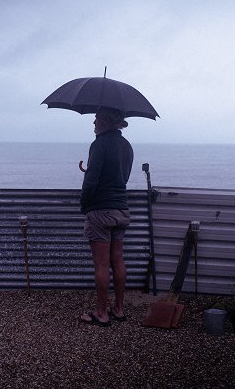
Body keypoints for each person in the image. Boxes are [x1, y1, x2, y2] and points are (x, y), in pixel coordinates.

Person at [79, 106, 134, 327]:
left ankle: (102, 313)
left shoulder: (99, 144)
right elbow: (123, 177)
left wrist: (85, 205)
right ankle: (119, 309)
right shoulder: (127, 146)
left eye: (96, 120)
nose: (93, 124)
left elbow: (91, 181)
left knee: (101, 264)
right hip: (121, 209)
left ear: (105, 121)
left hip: (101, 210)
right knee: (117, 260)